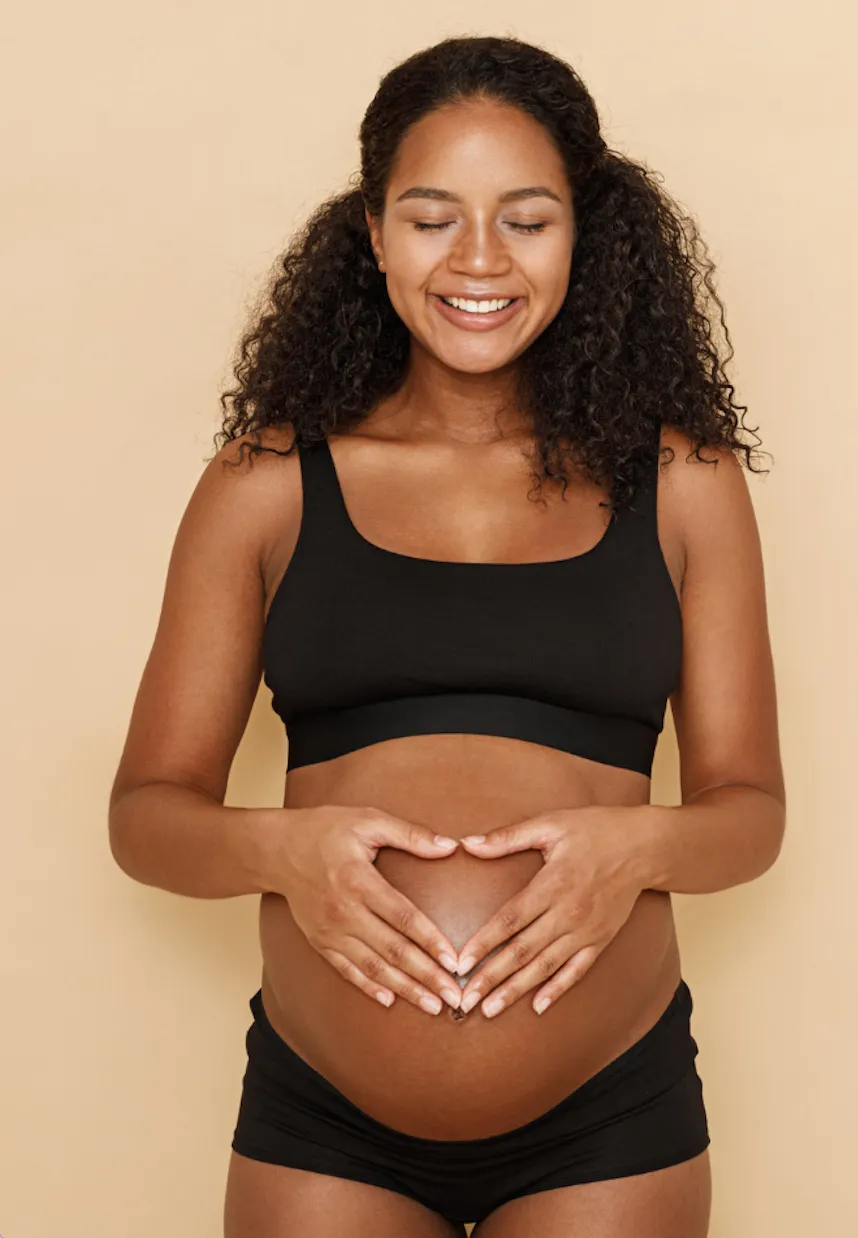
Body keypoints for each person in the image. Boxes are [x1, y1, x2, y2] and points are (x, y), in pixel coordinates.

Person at [107, 34, 783, 1238]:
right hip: (326, 1118)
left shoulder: (683, 480)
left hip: (608, 1109)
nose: (479, 260)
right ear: (371, 233)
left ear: (587, 233)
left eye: (526, 219)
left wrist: (631, 851)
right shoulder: (266, 481)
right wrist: (285, 853)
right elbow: (147, 815)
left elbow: (750, 812)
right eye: (432, 218)